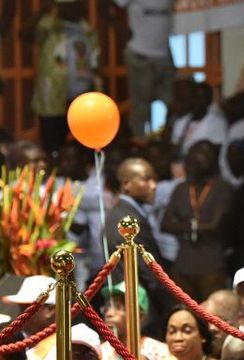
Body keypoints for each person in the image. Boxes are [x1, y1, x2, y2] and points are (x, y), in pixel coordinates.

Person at [20, 0, 100, 156]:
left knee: (85, 147)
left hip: (83, 97)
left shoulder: (88, 30)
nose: (74, 8)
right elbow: (24, 34)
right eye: (67, 5)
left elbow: (96, 64)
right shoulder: (49, 25)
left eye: (76, 4)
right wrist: (42, 13)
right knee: (52, 145)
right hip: (53, 98)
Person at [106, 157, 172, 339]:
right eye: (146, 179)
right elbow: (149, 273)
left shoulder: (122, 212)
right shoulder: (126, 218)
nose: (154, 186)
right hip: (141, 311)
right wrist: (170, 307)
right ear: (126, 184)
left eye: (155, 180)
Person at [162, 141, 233, 302]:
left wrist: (184, 225)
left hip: (211, 263)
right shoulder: (181, 189)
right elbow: (165, 223)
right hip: (184, 262)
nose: (198, 161)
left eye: (204, 156)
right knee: (183, 312)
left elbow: (215, 225)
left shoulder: (222, 188)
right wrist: (195, 226)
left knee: (212, 316)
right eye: (194, 156)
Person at [112, 0, 174, 138]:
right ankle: (140, 146)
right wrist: (121, 29)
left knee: (173, 103)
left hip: (164, 54)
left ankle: (167, 140)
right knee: (141, 109)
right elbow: (109, 6)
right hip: (140, 55)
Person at [101, 282, 171, 360]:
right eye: (107, 308)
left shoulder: (158, 351)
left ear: (140, 316)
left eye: (118, 307)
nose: (109, 314)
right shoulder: (101, 352)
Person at [2, 276, 57, 359]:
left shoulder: (72, 344)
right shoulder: (13, 341)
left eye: (26, 309)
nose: (20, 315)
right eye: (21, 309)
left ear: (50, 310)